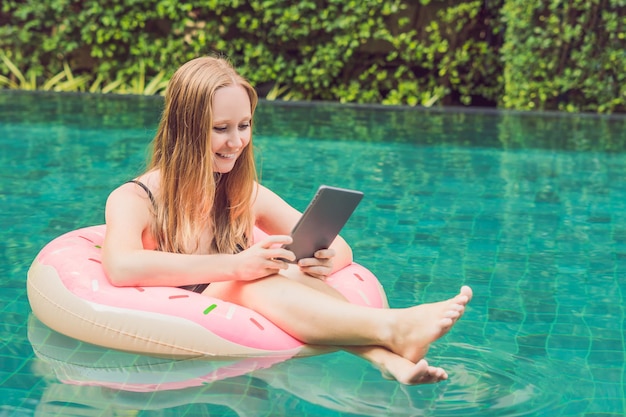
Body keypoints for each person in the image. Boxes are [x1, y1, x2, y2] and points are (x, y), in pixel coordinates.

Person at [102, 56, 473, 385]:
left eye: (244, 126)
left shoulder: (242, 192)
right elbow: (121, 266)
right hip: (185, 322)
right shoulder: (136, 199)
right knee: (250, 280)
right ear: (185, 129)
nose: (236, 141)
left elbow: (341, 247)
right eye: (221, 128)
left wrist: (323, 258)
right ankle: (394, 327)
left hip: (243, 304)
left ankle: (389, 358)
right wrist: (236, 265)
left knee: (288, 272)